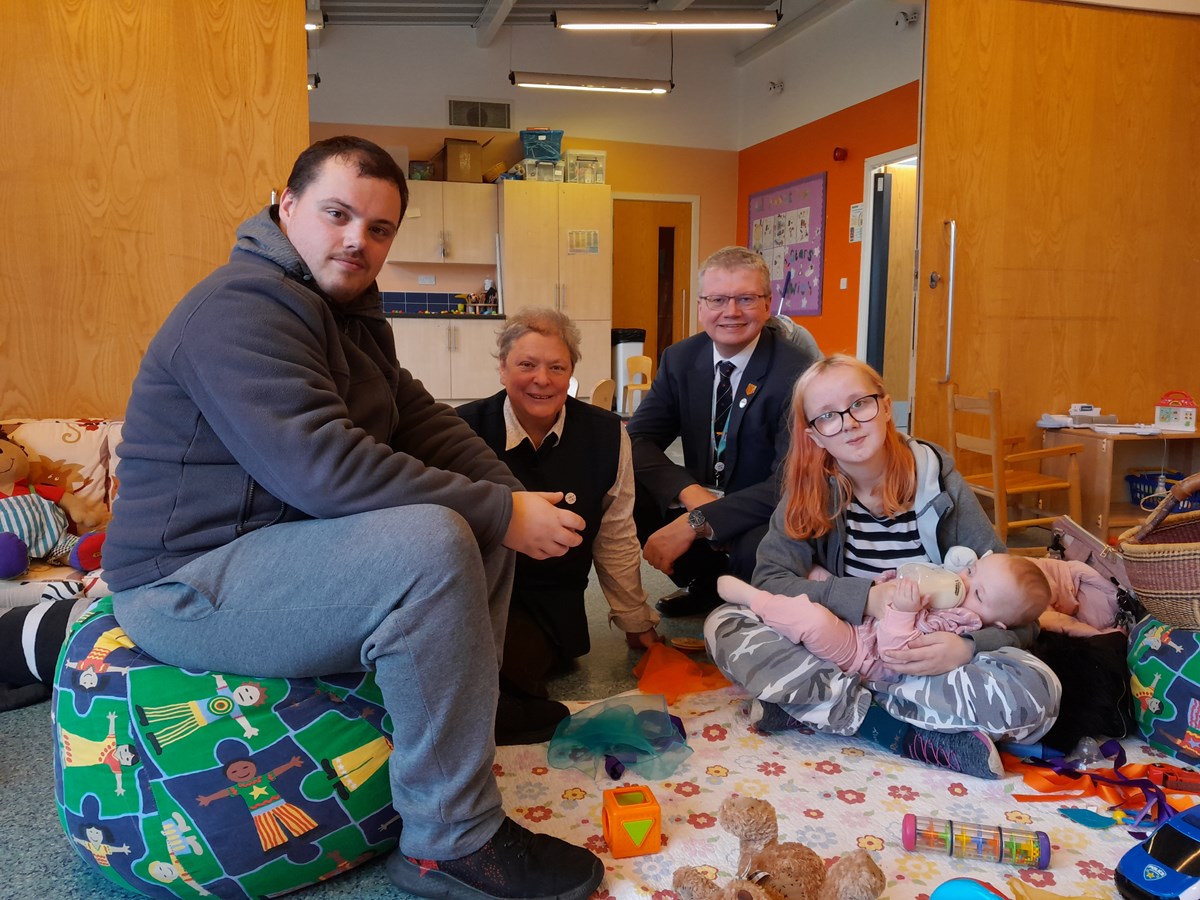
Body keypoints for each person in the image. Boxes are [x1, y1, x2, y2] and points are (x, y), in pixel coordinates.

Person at [102, 136, 603, 900]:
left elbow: (423, 421)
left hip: (268, 547)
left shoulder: (347, 317)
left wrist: (510, 499)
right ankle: (450, 842)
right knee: (435, 538)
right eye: (337, 214)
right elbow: (323, 467)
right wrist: (499, 509)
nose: (357, 241)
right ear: (287, 205)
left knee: (473, 518)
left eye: (378, 229)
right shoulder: (239, 308)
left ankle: (475, 710)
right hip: (185, 580)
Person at [704, 354, 1061, 780]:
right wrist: (867, 598)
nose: (849, 423)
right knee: (725, 626)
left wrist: (968, 647)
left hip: (925, 669)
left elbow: (1013, 606)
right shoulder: (810, 491)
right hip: (840, 649)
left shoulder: (937, 480)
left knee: (1038, 694)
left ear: (887, 407)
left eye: (860, 404)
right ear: (814, 435)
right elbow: (771, 582)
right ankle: (897, 729)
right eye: (828, 417)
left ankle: (816, 707)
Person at [456, 308, 661, 743]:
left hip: (552, 601)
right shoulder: (462, 429)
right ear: (502, 368)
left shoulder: (607, 433)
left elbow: (617, 535)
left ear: (571, 372)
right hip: (478, 593)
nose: (542, 379)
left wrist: (635, 619)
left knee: (505, 664)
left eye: (557, 367)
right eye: (526, 365)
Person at [626, 246, 820, 618]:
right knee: (628, 493)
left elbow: (789, 480)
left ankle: (752, 601)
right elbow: (636, 440)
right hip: (703, 492)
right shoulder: (680, 358)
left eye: (745, 299)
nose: (730, 312)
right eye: (717, 299)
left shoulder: (799, 373)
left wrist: (700, 520)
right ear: (700, 307)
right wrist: (691, 494)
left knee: (757, 545)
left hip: (764, 510)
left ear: (767, 305)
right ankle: (707, 586)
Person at [715, 549, 1053, 682]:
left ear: (997, 623)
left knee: (812, 620)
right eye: (971, 569)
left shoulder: (956, 623)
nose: (964, 581)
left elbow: (896, 654)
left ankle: (755, 600)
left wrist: (905, 612)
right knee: (725, 627)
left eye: (978, 592)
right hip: (860, 622)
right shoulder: (954, 590)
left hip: (864, 654)